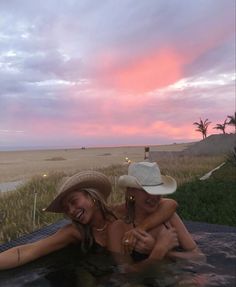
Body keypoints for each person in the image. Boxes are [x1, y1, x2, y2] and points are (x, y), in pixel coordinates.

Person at [0, 169, 177, 270]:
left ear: (92, 197)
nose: (71, 210)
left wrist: (141, 229)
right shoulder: (74, 232)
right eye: (66, 209)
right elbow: (28, 251)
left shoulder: (119, 211)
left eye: (73, 202)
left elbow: (169, 204)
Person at [108, 162, 204, 272]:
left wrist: (164, 251)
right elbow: (125, 275)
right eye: (146, 191)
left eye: (157, 190)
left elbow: (199, 257)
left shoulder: (169, 217)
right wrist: (157, 253)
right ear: (131, 191)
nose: (153, 197)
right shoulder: (119, 228)